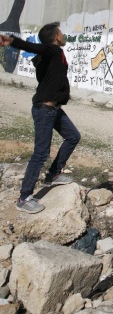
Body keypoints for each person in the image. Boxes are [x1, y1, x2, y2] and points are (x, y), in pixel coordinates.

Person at [0, 22, 80, 213]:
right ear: (56, 38)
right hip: (44, 110)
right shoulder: (52, 51)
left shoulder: (51, 57)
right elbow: (35, 47)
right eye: (60, 33)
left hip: (53, 109)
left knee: (73, 136)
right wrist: (13, 41)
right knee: (41, 153)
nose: (63, 36)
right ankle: (24, 197)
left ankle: (53, 174)